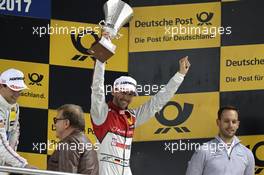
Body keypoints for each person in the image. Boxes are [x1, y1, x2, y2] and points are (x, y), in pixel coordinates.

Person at [90, 55, 190, 175]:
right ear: (113, 91)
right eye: (123, 92)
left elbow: (157, 102)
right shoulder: (102, 113)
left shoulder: (132, 117)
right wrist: (101, 60)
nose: (126, 98)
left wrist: (179, 75)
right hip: (105, 169)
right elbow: (97, 89)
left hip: (126, 169)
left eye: (130, 94)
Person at [186, 106, 255, 175]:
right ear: (218, 122)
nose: (230, 125)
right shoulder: (204, 151)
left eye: (234, 122)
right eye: (226, 121)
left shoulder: (247, 154)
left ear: (237, 124)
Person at [48, 104, 99, 175]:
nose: (55, 125)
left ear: (66, 123)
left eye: (56, 120)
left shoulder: (69, 142)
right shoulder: (87, 142)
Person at [0, 68, 33, 168]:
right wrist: (23, 165)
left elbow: (14, 133)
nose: (17, 94)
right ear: (1, 86)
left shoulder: (14, 106)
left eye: (20, 89)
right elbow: (0, 146)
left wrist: (10, 165)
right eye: (14, 89)